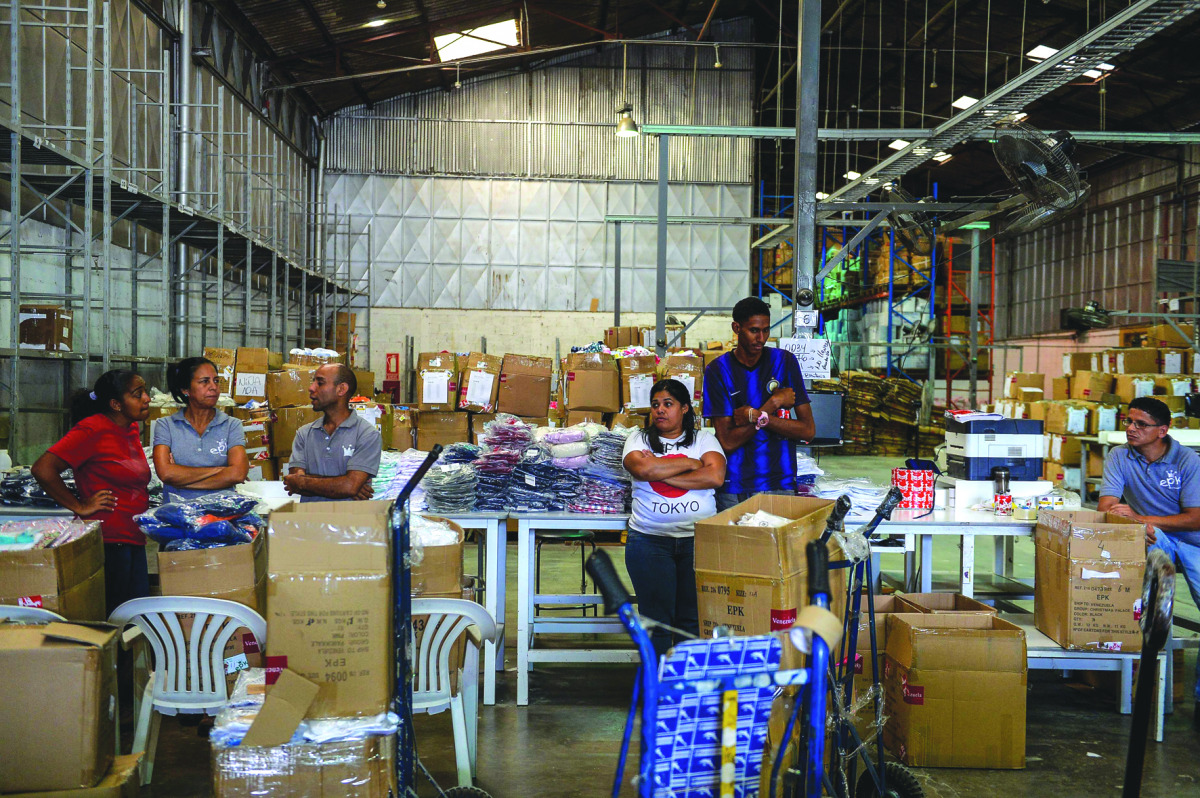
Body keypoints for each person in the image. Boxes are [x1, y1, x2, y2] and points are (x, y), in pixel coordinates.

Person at [1097, 395, 1200, 729]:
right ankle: (1151, 670)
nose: (1131, 428)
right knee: (1157, 601)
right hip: (1158, 535)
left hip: (1194, 540)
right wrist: (1138, 523)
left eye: (1141, 424)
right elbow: (1107, 507)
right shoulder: (1119, 456)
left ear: (1163, 430)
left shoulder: (1187, 460)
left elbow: (1195, 519)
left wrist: (1140, 517)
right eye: (1128, 421)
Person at [621, 378, 727, 659]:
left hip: (697, 542)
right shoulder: (638, 439)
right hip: (649, 543)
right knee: (656, 623)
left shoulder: (705, 438)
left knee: (691, 620)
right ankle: (656, 692)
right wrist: (692, 464)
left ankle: (685, 694)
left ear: (684, 409)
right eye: (655, 405)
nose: (660, 410)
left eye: (668, 404)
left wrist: (662, 469)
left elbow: (715, 476)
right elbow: (642, 470)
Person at [32, 370, 152, 613]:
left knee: (135, 619)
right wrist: (79, 505)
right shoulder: (92, 430)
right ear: (116, 404)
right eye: (137, 395)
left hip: (133, 538)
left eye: (145, 392)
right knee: (115, 617)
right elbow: (43, 469)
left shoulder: (129, 429)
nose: (147, 398)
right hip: (108, 541)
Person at [703, 296, 815, 511]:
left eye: (766, 330)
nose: (761, 338)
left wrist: (755, 416)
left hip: (780, 483)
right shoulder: (718, 370)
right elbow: (727, 441)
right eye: (754, 330)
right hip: (734, 485)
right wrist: (771, 405)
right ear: (736, 328)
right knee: (736, 545)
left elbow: (808, 430)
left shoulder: (785, 362)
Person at [152, 357, 249, 503]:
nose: (213, 387)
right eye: (204, 381)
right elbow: (166, 474)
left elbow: (238, 474)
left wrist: (181, 478)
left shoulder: (232, 425)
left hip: (221, 514)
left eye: (216, 381)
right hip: (177, 514)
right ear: (186, 390)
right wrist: (220, 469)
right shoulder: (166, 425)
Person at [282, 363, 381, 502]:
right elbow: (294, 484)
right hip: (308, 522)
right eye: (313, 382)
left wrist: (305, 481)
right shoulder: (304, 434)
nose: (311, 388)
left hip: (349, 522)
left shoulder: (367, 434)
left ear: (341, 389)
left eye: (320, 383)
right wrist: (344, 485)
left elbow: (349, 486)